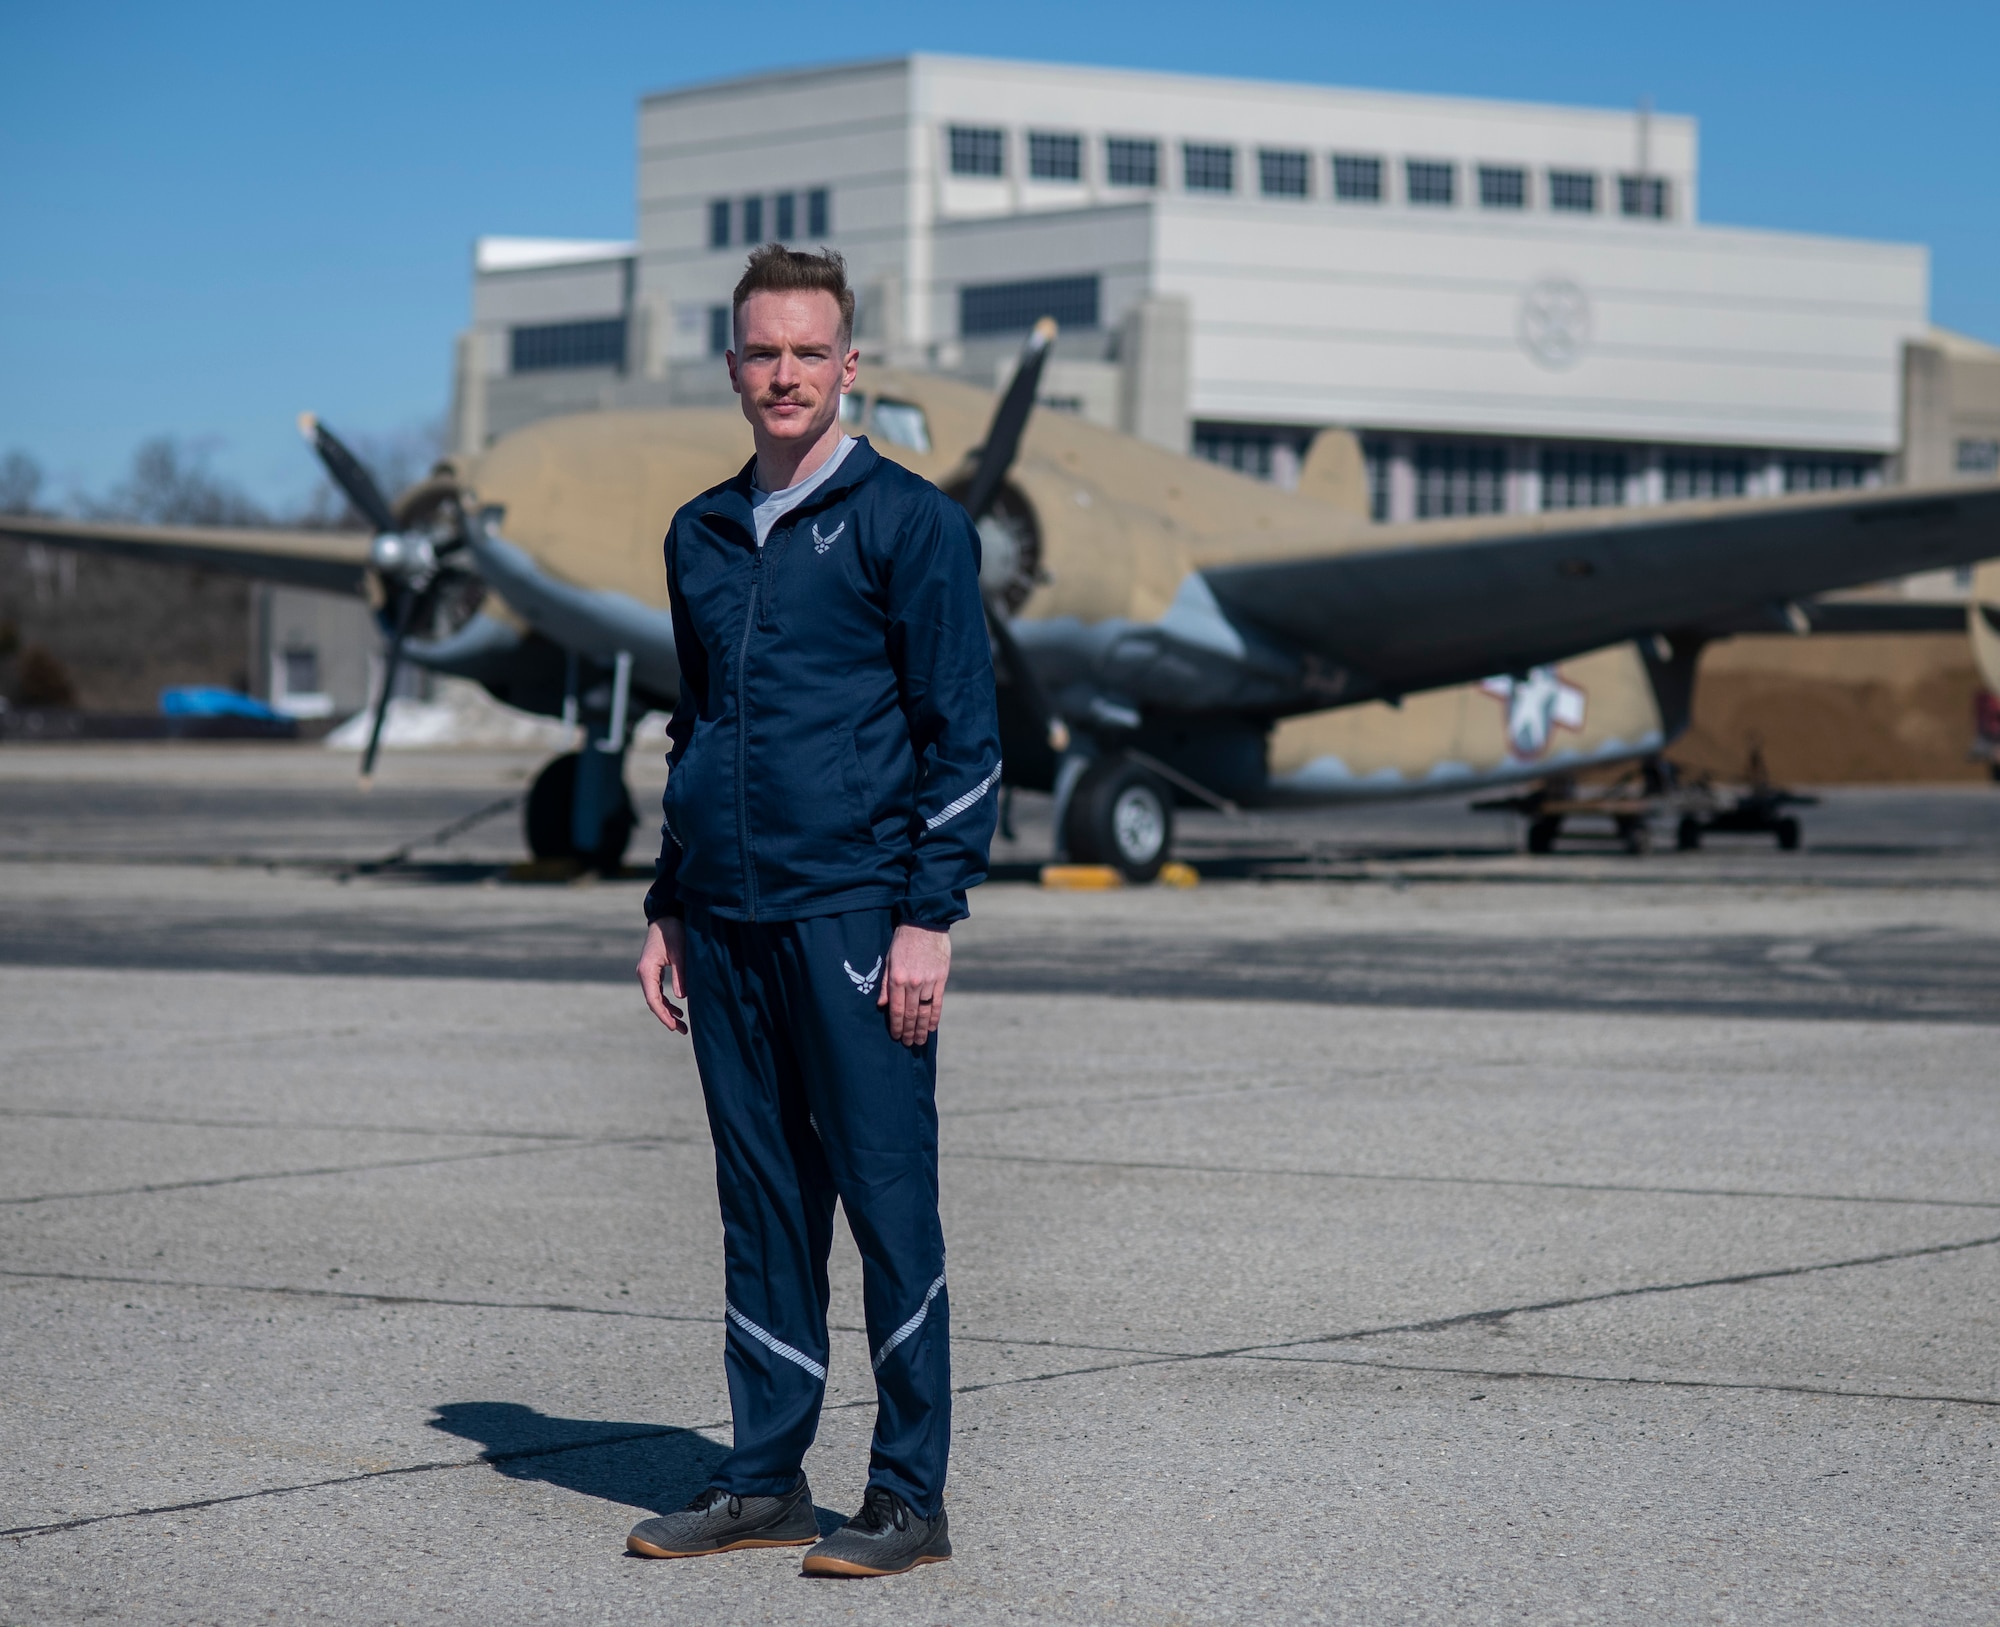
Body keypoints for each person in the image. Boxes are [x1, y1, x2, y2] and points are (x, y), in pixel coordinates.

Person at [628, 243, 1001, 1578]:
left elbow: (965, 735)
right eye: (760, 352)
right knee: (763, 1201)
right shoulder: (700, 534)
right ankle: (764, 1479)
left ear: (850, 366)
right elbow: (698, 727)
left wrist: (928, 916)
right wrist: (670, 903)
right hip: (724, 921)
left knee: (886, 1200)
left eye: (807, 352)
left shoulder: (912, 525)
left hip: (855, 915)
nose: (782, 374)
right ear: (731, 367)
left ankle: (907, 1498)